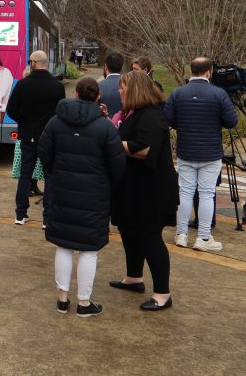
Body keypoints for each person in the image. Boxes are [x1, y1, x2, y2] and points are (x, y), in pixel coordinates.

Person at [39, 76, 125, 317]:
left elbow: (44, 152)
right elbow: (117, 163)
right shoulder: (105, 127)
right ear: (98, 96)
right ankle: (84, 303)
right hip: (94, 195)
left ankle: (62, 299)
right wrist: (107, 184)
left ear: (75, 93)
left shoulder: (56, 122)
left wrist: (54, 174)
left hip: (62, 190)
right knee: (89, 249)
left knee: (63, 245)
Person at [108, 71, 177, 311]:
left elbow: (144, 149)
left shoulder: (152, 115)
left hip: (152, 190)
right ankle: (134, 277)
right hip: (133, 186)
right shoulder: (134, 113)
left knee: (150, 237)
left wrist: (111, 143)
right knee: (129, 230)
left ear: (135, 90)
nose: (119, 91)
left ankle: (162, 293)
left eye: (123, 87)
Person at [165, 56, 237, 252]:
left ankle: (181, 234)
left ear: (192, 70)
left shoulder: (178, 93)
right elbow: (231, 121)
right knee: (206, 194)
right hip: (210, 152)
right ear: (209, 71)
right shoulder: (218, 93)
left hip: (186, 150)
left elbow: (168, 118)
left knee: (185, 193)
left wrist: (183, 125)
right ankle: (203, 237)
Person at [7, 50, 66, 226]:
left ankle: (20, 214)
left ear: (33, 63)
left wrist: (24, 121)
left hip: (28, 135)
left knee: (25, 174)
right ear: (45, 63)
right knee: (49, 176)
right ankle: (47, 219)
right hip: (49, 136)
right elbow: (61, 113)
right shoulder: (57, 86)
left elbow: (11, 110)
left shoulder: (22, 85)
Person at [98, 52, 124, 117]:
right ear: (121, 67)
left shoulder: (98, 86)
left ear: (105, 67)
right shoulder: (130, 85)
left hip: (104, 121)